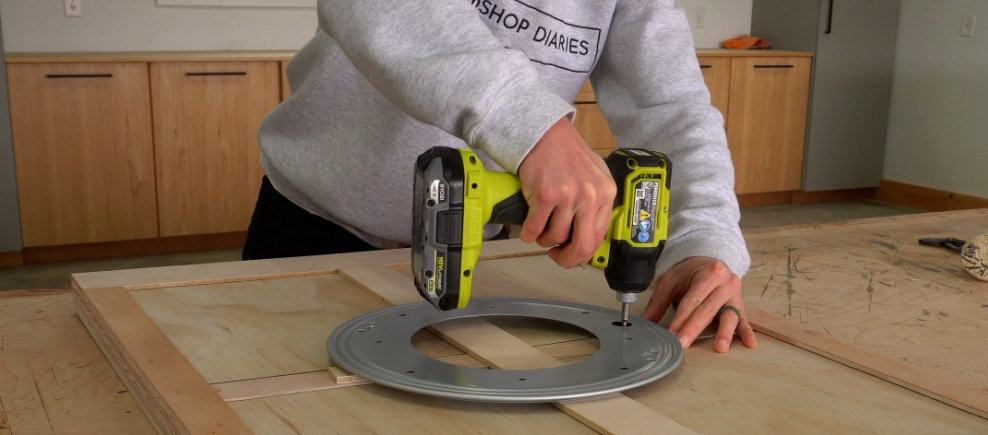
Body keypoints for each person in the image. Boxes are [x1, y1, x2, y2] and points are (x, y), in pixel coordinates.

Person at [246, 0, 756, 353]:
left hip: (465, 258)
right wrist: (535, 128)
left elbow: (672, 106)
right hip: (311, 233)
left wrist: (703, 240)